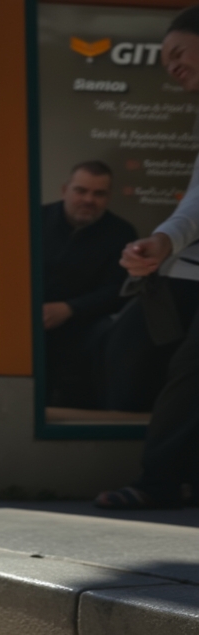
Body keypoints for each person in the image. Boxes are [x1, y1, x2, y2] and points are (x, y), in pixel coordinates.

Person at [96, 6, 199, 509]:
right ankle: (166, 479)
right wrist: (163, 242)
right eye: (165, 60)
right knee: (158, 354)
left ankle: (160, 482)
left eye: (179, 53)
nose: (172, 66)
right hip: (185, 270)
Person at [41, 161, 137, 408]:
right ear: (65, 190)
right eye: (80, 191)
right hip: (29, 329)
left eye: (99, 193)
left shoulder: (122, 233)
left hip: (87, 333)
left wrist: (69, 309)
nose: (88, 200)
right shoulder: (34, 220)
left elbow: (119, 290)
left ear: (109, 197)